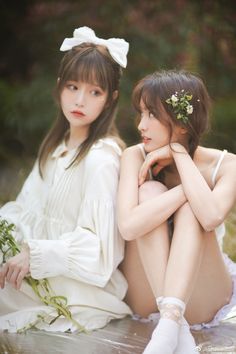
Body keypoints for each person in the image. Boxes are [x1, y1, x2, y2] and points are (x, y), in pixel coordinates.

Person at [0, 26, 132, 333]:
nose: (80, 100)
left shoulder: (101, 159)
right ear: (59, 87)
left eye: (94, 92)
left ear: (110, 100)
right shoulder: (55, 148)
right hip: (34, 269)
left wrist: (36, 254)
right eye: (73, 87)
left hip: (77, 288)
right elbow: (22, 211)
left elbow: (100, 252)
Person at [117, 70, 236, 353]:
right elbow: (128, 227)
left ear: (182, 124)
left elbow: (210, 216)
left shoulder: (228, 164)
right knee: (149, 192)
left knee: (194, 211)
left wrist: (179, 155)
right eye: (141, 114)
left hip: (202, 295)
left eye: (151, 115)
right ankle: (175, 325)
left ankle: (171, 323)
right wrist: (186, 191)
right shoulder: (134, 155)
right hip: (146, 293)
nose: (140, 125)